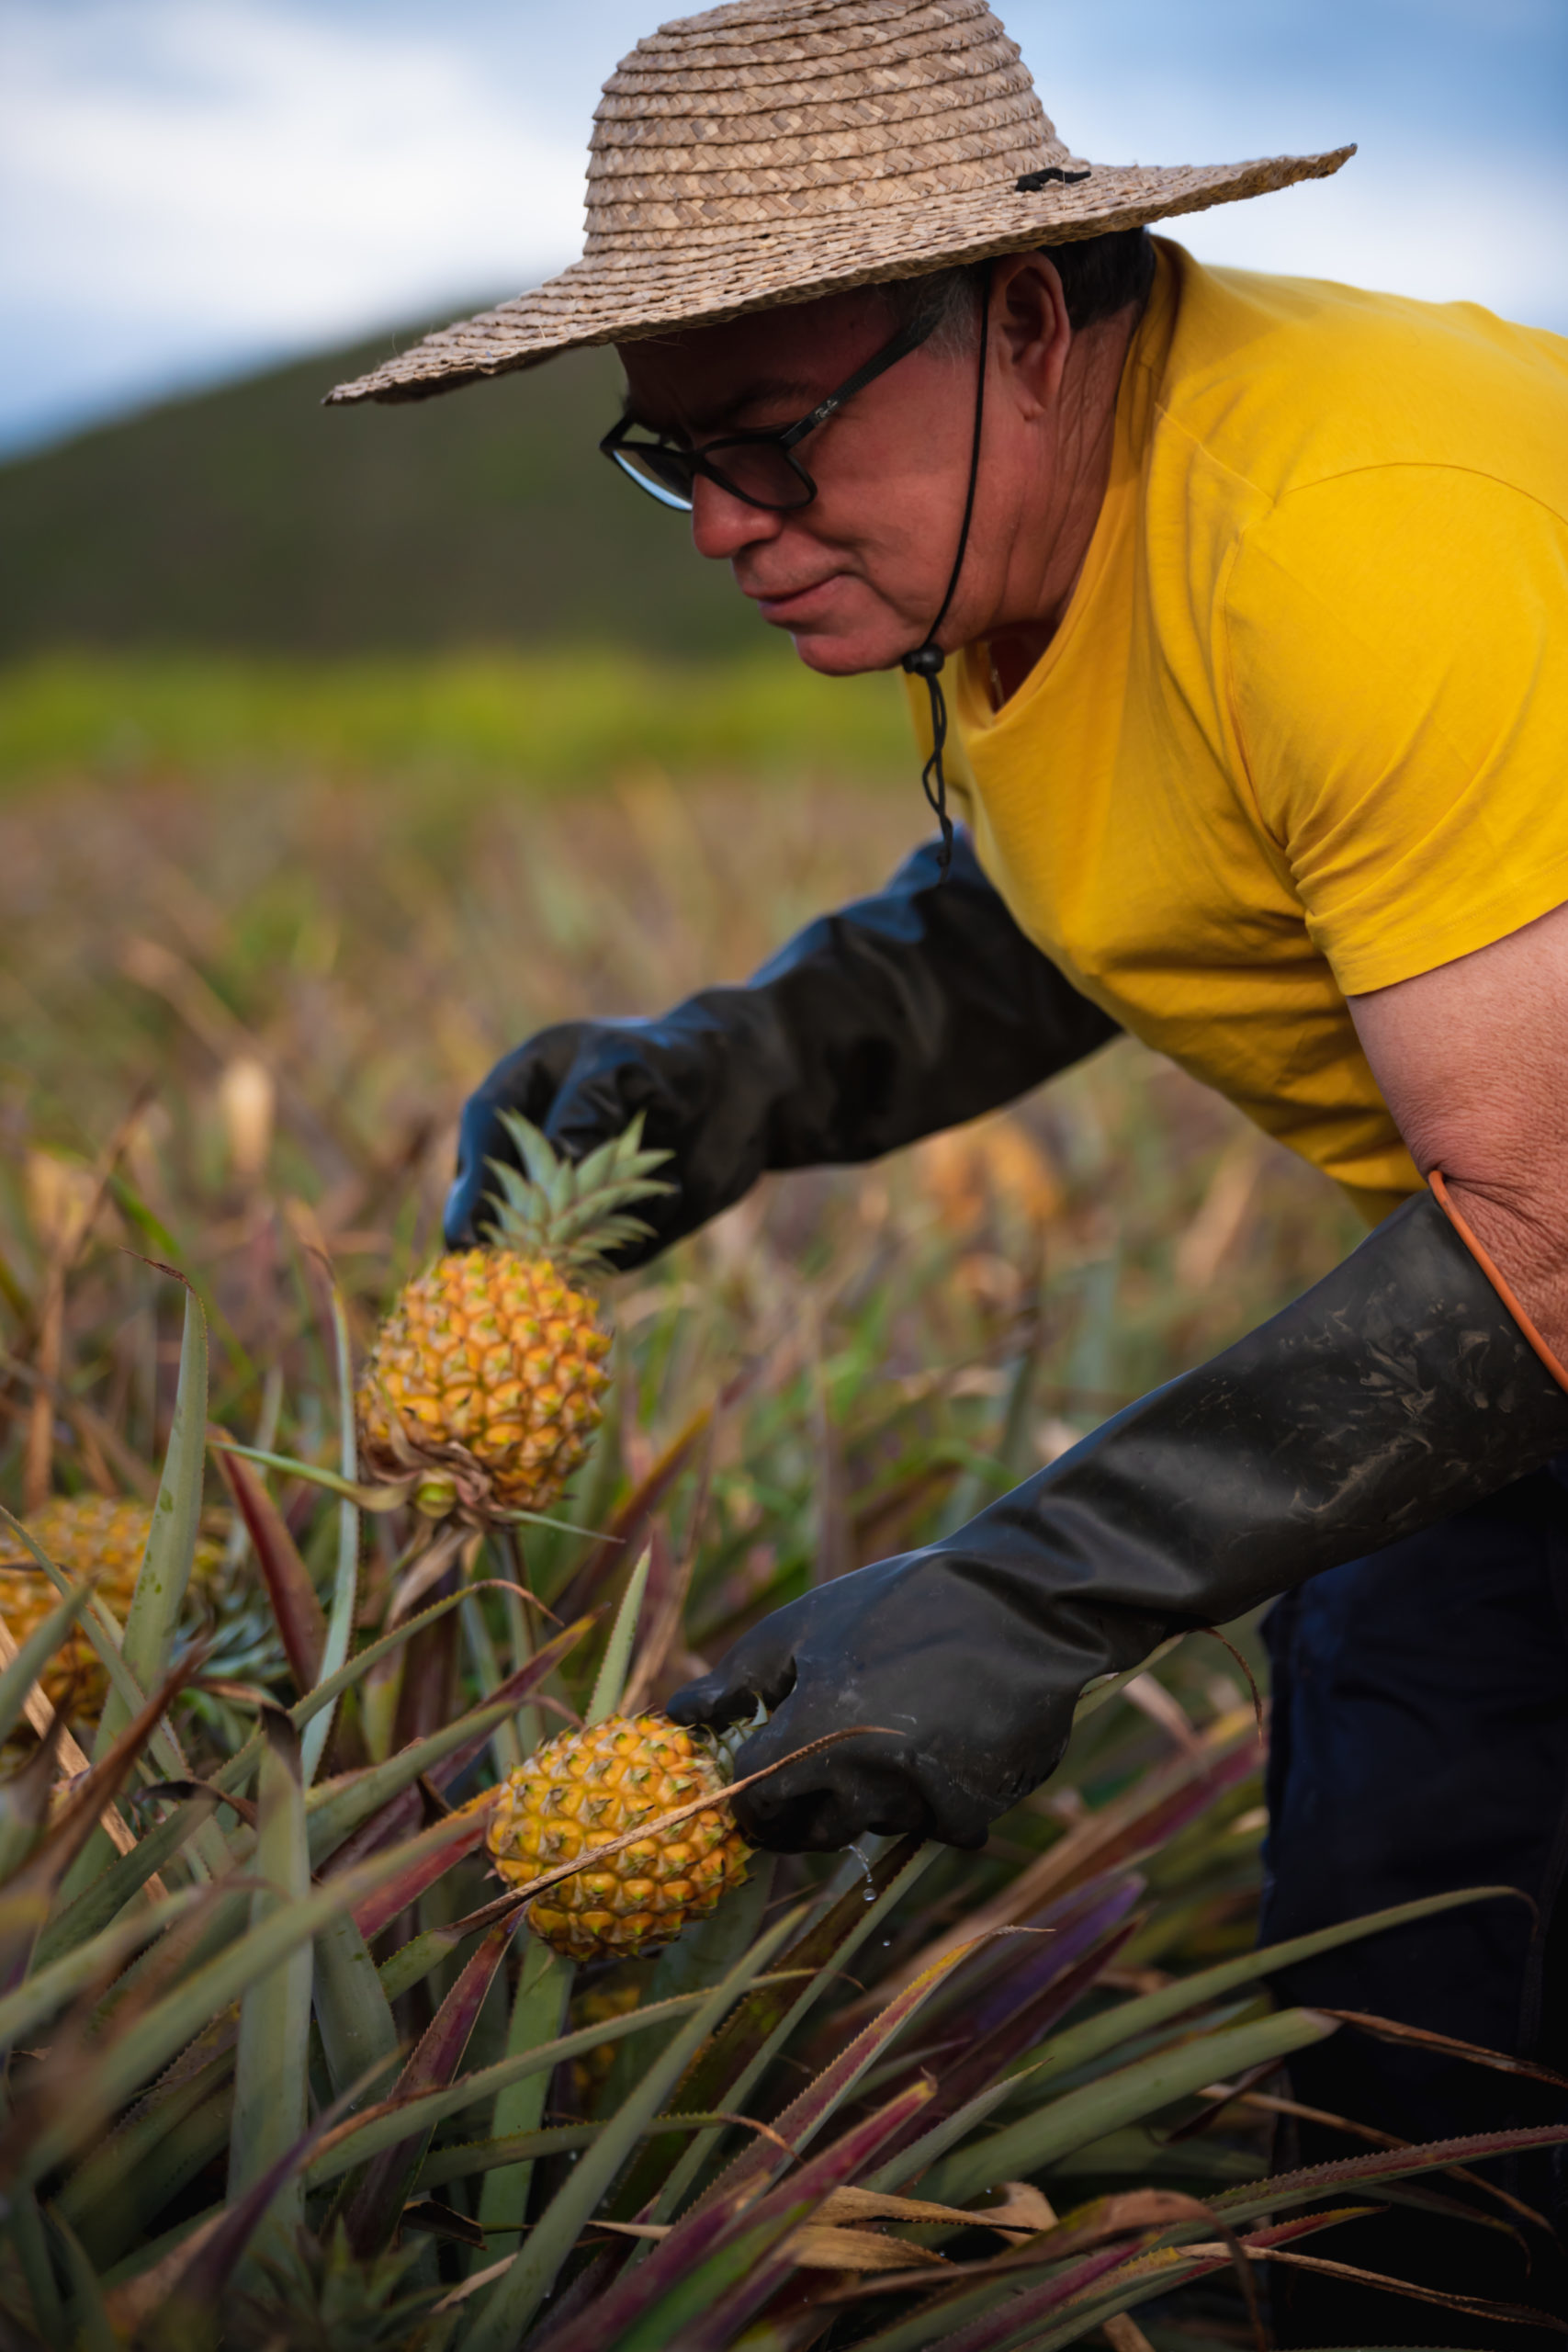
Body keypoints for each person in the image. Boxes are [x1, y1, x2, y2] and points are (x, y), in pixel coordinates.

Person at [333, 3, 1568, 2333]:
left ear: (1017, 318)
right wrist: (748, 1069)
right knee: (1417, 1954)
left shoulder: (1348, 540)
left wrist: (1034, 1586)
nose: (723, 524)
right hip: (1500, 1316)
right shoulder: (1057, 518)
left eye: (772, 437)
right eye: (670, 454)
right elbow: (1140, 858)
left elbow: (1555, 1218)